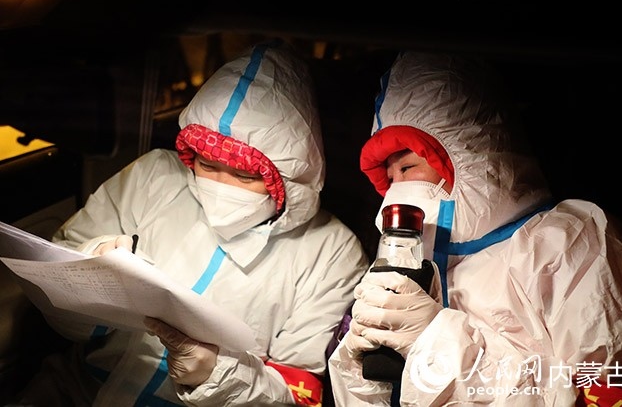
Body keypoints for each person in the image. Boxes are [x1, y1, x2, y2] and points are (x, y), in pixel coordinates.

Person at [15, 39, 369, 406]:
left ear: (289, 179)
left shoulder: (332, 252)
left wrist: (216, 374)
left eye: (245, 176)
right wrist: (92, 270)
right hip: (81, 386)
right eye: (208, 165)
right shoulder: (152, 177)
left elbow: (298, 393)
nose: (221, 186)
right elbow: (57, 288)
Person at [328, 51, 622, 406]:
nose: (397, 190)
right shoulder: (413, 265)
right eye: (390, 177)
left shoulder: (568, 244)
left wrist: (442, 352)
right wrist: (360, 370)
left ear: (469, 154)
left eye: (409, 167)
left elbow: (614, 393)